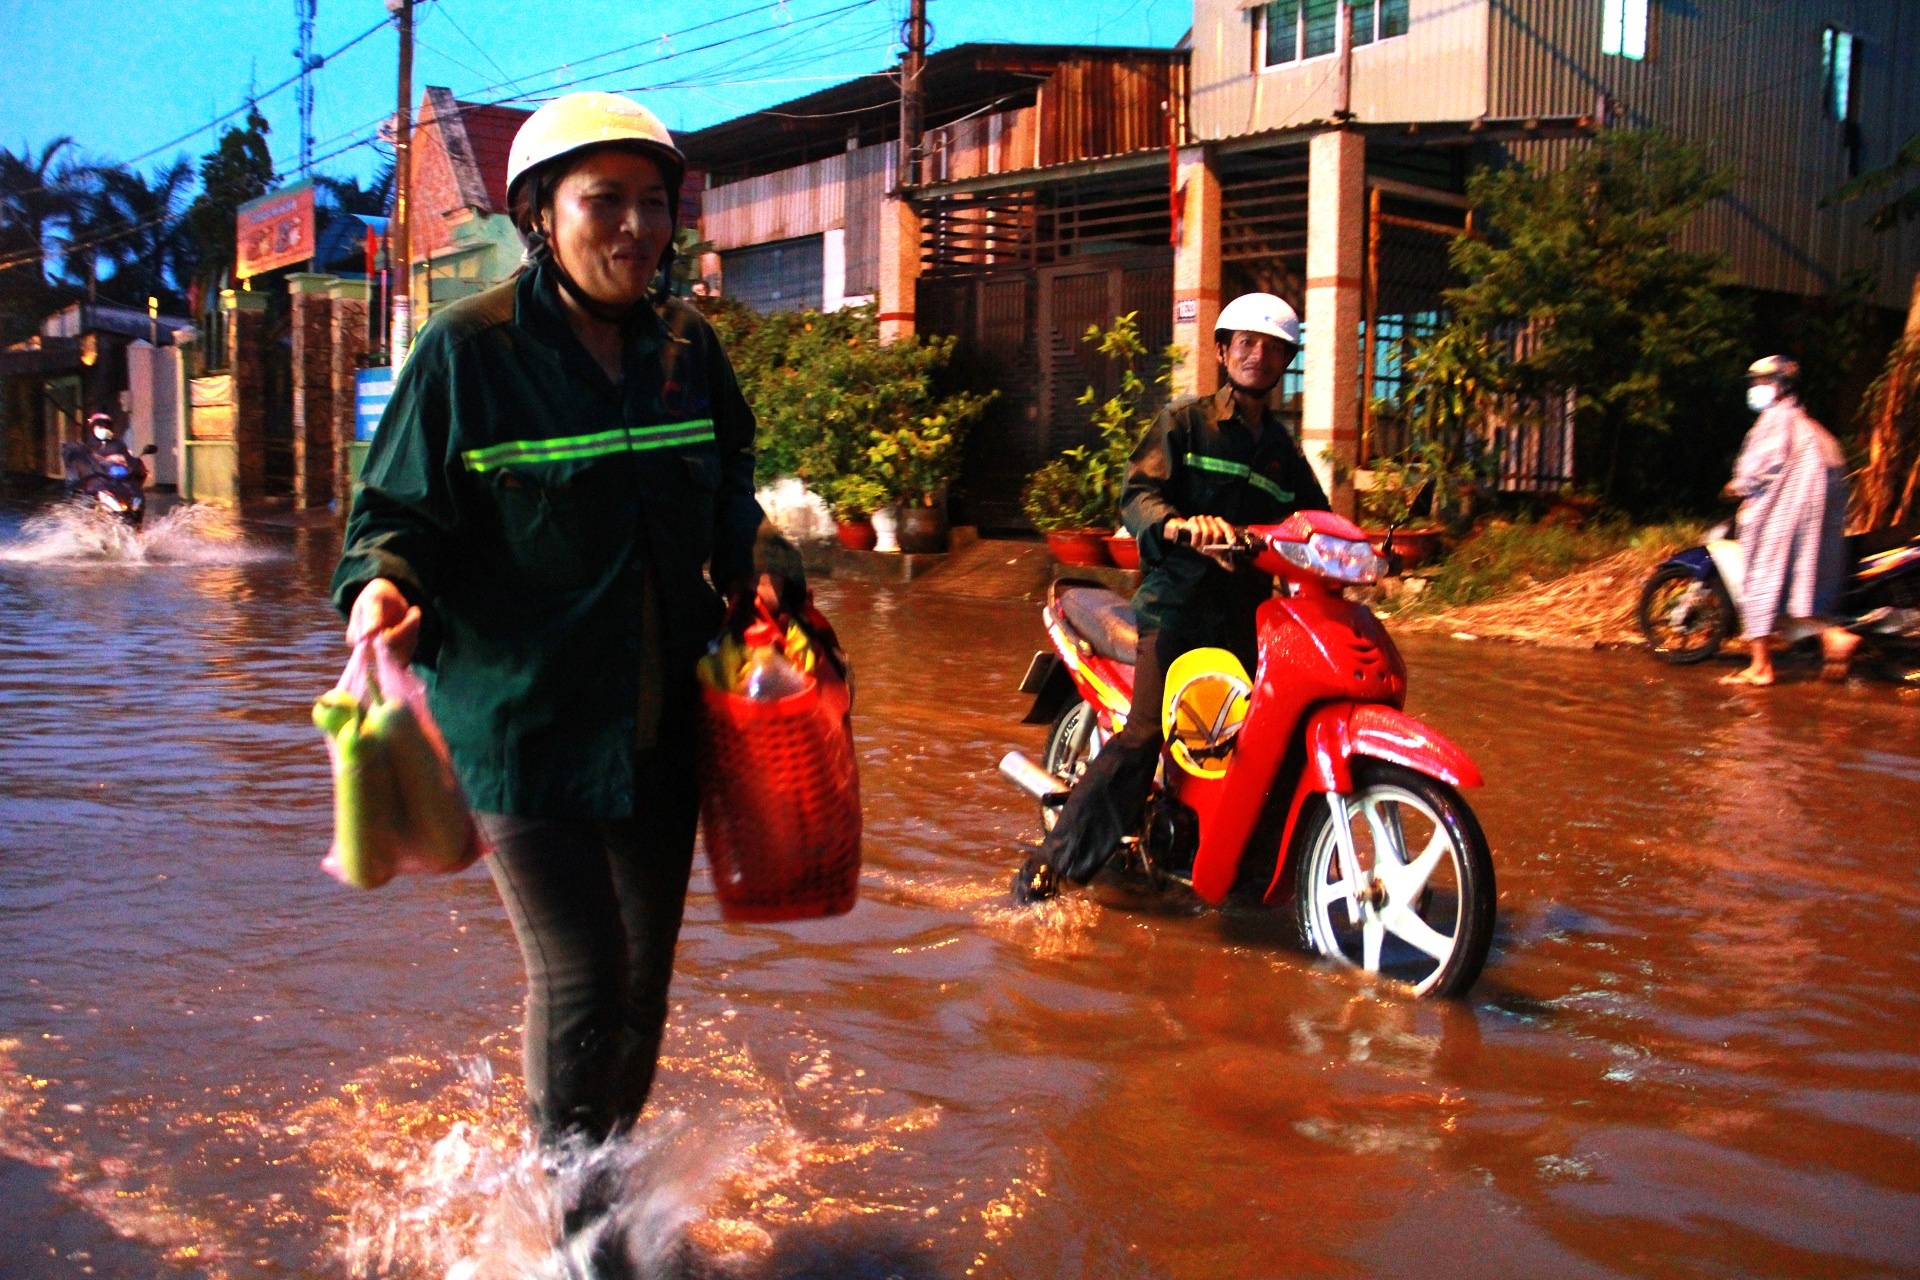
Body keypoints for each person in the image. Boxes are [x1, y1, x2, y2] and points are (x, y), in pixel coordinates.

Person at [331, 91, 799, 1146]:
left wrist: (759, 554)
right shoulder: (467, 351)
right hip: (521, 722)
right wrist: (383, 587)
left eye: (655, 202)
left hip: (660, 721)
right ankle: (576, 1224)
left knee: (643, 982)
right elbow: (393, 517)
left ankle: (607, 1174)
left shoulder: (687, 347)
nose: (637, 228)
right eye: (605, 201)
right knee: (583, 975)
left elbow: (728, 480)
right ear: (540, 212)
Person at [1015, 293, 1330, 903]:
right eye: (1246, 343)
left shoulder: (1283, 452)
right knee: (1144, 736)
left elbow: (1314, 519)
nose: (1257, 356)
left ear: (1287, 360)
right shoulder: (1185, 424)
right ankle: (1048, 868)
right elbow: (1138, 497)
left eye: (1272, 348)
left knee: (1255, 740)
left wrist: (1368, 549)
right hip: (1176, 608)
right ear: (1222, 350)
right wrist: (1181, 526)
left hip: (1245, 619)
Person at [1721, 354, 1854, 686]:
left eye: (1760, 383)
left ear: (1779, 386)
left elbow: (1755, 471)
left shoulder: (1775, 422)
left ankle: (1760, 667)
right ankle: (1832, 636)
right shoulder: (1812, 428)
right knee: (1798, 583)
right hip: (1813, 520)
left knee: (1760, 581)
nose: (1755, 389)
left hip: (1781, 516)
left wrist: (1736, 486)